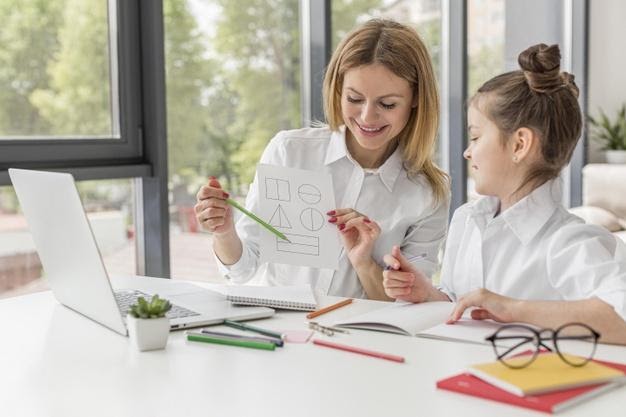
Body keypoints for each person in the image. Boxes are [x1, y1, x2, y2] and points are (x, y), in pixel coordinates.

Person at [382, 43, 626, 344]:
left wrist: (513, 308)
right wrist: (428, 293)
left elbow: (622, 317)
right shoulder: (467, 219)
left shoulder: (570, 242)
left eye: (475, 136)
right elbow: (466, 308)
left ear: (520, 144)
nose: (467, 151)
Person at [195, 19, 450, 300]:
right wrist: (223, 231)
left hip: (358, 340)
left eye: (387, 104)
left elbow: (409, 304)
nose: (367, 117)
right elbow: (242, 271)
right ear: (338, 89)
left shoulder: (427, 191)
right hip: (281, 333)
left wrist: (364, 263)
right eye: (354, 98)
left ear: (416, 99)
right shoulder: (290, 151)